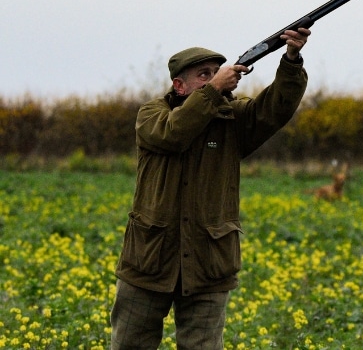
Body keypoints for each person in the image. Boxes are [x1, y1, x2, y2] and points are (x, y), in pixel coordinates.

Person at [109, 28, 311, 349]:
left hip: (209, 263)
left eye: (217, 73)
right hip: (148, 260)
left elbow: (276, 108)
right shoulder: (152, 115)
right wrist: (214, 90)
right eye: (204, 75)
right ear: (179, 85)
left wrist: (291, 59)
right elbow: (174, 134)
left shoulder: (233, 118)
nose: (216, 79)